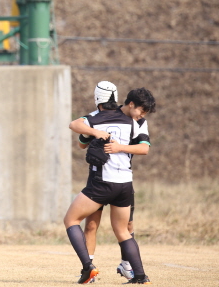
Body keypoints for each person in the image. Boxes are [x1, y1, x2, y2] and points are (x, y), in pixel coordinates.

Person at [64, 87, 156, 284]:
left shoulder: (134, 121)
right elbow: (82, 142)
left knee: (72, 220)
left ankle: (101, 267)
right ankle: (139, 275)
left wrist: (116, 146)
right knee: (101, 227)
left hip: (103, 183)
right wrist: (94, 134)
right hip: (121, 183)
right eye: (142, 110)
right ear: (129, 103)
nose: (142, 115)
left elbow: (144, 148)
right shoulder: (100, 117)